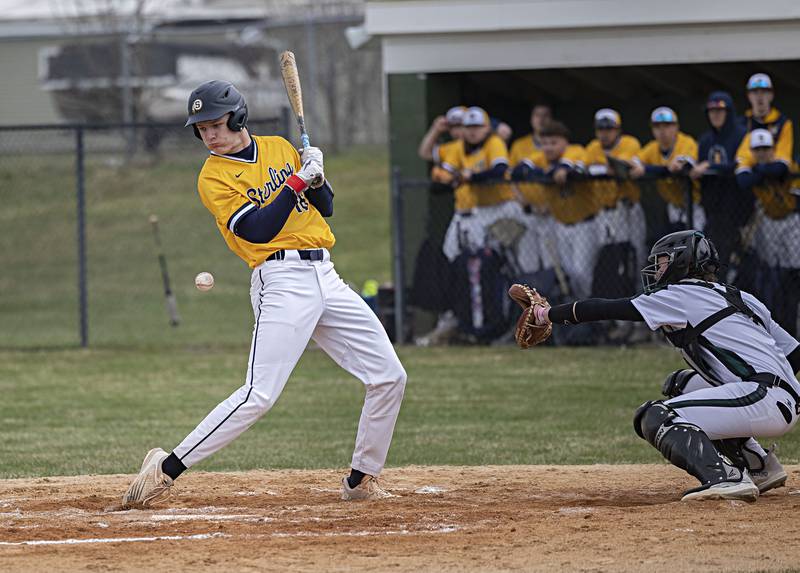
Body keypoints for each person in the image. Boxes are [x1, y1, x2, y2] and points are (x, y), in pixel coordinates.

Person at [121, 80, 407, 507]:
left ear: (238, 118)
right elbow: (257, 229)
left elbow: (325, 206)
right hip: (281, 280)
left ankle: (361, 479)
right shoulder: (213, 176)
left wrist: (316, 173)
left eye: (216, 124)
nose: (209, 135)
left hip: (326, 274)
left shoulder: (278, 147)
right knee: (259, 394)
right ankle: (165, 470)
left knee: (389, 376)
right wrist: (295, 182)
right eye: (201, 129)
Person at [523, 230, 798, 501]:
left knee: (654, 417)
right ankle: (758, 464)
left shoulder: (680, 293)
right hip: (778, 397)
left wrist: (546, 314)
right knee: (680, 383)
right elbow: (794, 353)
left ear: (682, 262)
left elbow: (606, 308)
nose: (656, 269)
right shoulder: (742, 297)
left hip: (763, 396)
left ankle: (725, 478)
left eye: (663, 261)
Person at [735, 128, 800, 336]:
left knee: (793, 272)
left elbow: (779, 169)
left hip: (791, 221)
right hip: (768, 222)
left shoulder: (782, 159)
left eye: (766, 149)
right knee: (773, 273)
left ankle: (792, 320)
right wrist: (760, 171)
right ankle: (779, 322)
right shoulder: (750, 164)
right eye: (758, 149)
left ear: (773, 149)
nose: (762, 153)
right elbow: (743, 180)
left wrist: (759, 172)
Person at [442, 106, 521, 261]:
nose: (473, 131)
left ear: (487, 128)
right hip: (482, 210)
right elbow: (445, 174)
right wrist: (447, 178)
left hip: (504, 206)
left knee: (514, 257)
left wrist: (472, 177)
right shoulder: (459, 147)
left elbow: (500, 169)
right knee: (481, 255)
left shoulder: (494, 142)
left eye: (478, 127)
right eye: (468, 127)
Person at [537, 120, 599, 299]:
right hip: (560, 225)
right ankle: (579, 314)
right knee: (569, 272)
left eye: (554, 143)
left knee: (582, 272)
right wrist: (549, 172)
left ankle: (591, 312)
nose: (548, 148)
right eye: (545, 143)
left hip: (584, 224)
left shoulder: (576, 151)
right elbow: (519, 170)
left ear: (565, 142)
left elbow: (570, 168)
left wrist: (560, 170)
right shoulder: (541, 159)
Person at [691, 92, 749, 267]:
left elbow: (740, 164)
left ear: (729, 112)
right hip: (712, 208)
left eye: (720, 110)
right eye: (711, 111)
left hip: (739, 207)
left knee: (741, 257)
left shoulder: (741, 134)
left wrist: (710, 166)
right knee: (712, 255)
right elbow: (697, 166)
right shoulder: (706, 139)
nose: (715, 115)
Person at [631, 107, 705, 236]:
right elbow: (635, 162)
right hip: (673, 206)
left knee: (698, 248)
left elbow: (677, 166)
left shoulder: (686, 142)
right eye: (657, 127)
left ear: (676, 127)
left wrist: (647, 169)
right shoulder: (652, 147)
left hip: (696, 205)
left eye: (667, 126)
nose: (662, 131)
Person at [584, 108, 644, 264]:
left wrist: (602, 167)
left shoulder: (629, 143)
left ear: (618, 130)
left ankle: (640, 288)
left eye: (609, 128)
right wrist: (605, 168)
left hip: (627, 208)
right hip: (603, 212)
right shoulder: (592, 147)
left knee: (636, 255)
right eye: (601, 129)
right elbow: (585, 168)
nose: (604, 133)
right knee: (609, 257)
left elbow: (620, 165)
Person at [736, 73, 793, 167]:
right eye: (755, 92)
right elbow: (740, 159)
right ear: (748, 96)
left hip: (775, 175)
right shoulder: (741, 123)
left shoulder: (782, 122)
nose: (759, 97)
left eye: (764, 92)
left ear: (771, 95)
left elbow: (783, 158)